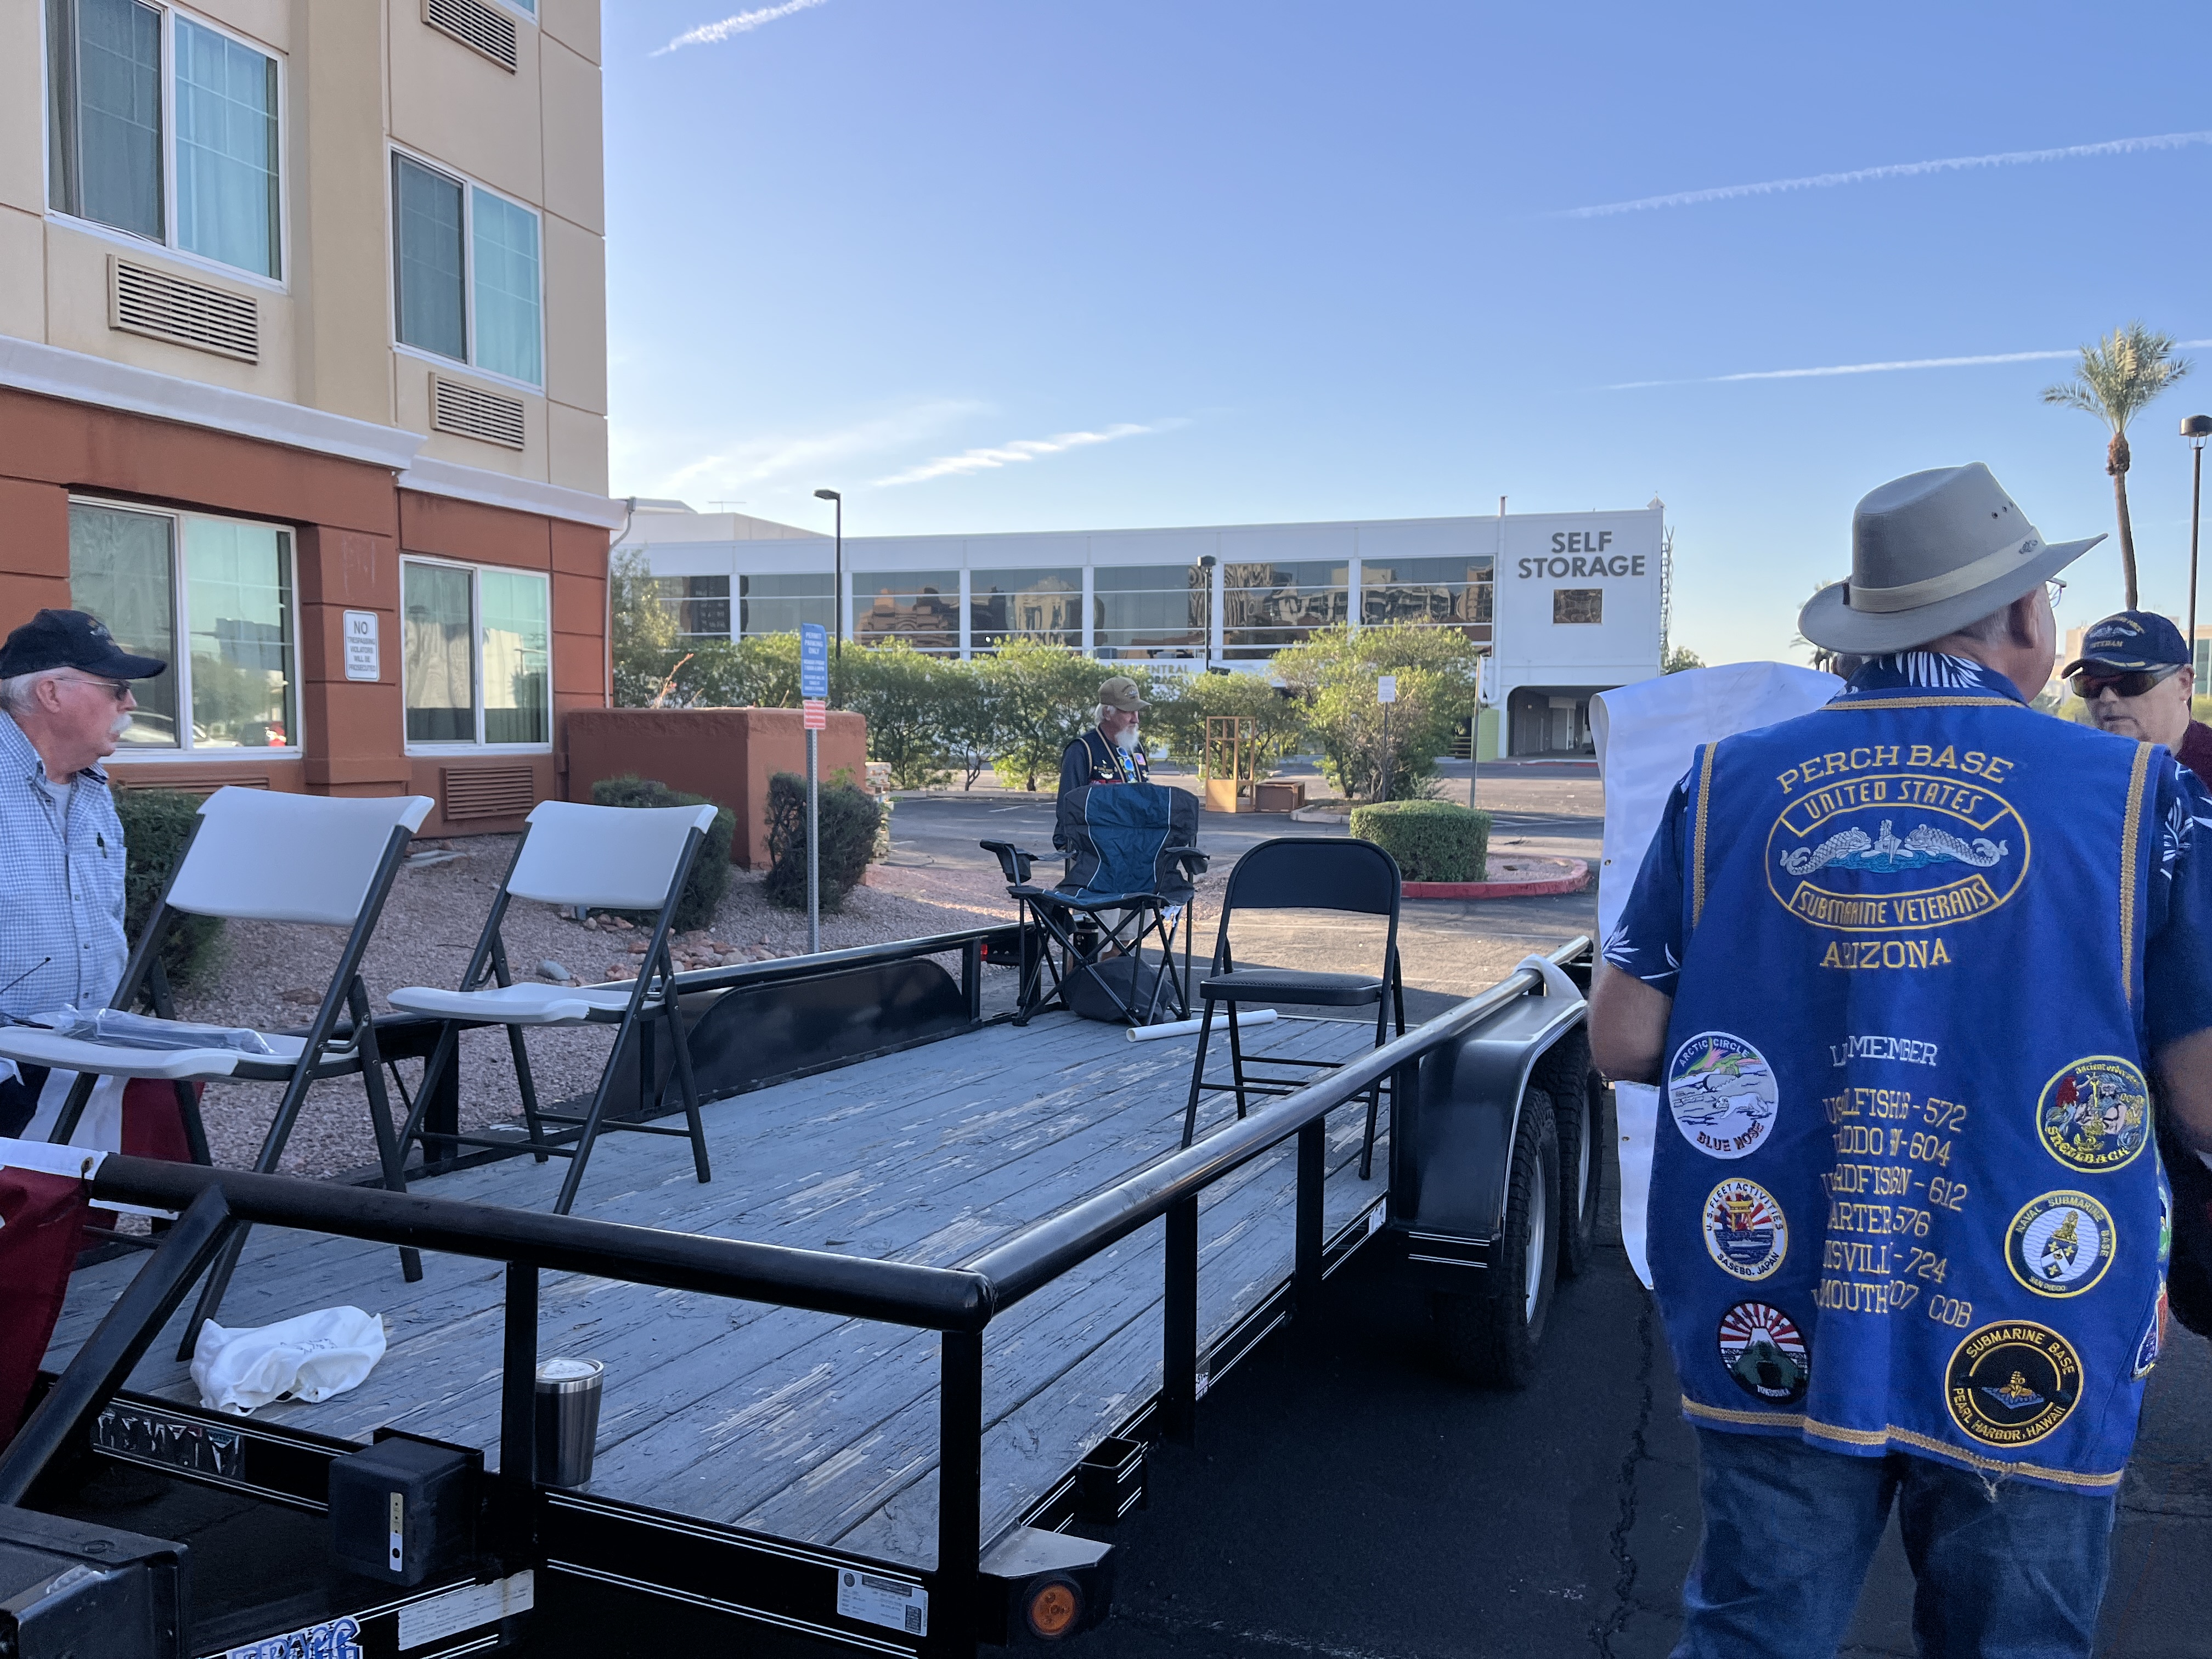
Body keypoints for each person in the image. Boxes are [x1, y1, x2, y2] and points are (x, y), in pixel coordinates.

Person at [1590, 463, 2212, 1659]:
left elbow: (1621, 1038)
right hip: (2036, 1305)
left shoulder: (1719, 783)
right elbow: (2202, 1099)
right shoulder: (2149, 800)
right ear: (2023, 615)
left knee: (1751, 1633)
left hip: (1771, 1291)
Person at [0, 608, 178, 1150]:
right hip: (12, 1075)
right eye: (116, 688)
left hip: (92, 1059)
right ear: (52, 693)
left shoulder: (92, 789)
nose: (131, 704)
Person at [2064, 609, 2212, 777]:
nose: (2106, 697)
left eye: (2131, 682)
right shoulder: (2073, 770)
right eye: (2091, 684)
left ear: (2184, 683)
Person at [1055, 676, 1150, 852]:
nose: (1136, 720)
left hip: (1136, 847)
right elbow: (1068, 808)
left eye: (1137, 711)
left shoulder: (1136, 747)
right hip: (1096, 850)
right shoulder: (1082, 749)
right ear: (1107, 713)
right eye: (1128, 712)